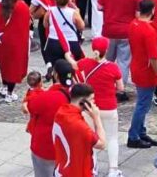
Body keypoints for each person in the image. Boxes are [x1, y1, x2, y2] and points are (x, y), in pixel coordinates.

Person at [76, 37, 124, 177]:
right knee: (112, 138)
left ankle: (93, 169)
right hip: (109, 107)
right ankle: (113, 170)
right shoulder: (113, 67)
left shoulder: (84, 63)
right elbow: (120, 88)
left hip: (90, 107)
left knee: (90, 139)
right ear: (106, 50)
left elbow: (75, 68)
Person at [25, 60, 76, 177]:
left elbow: (31, 107)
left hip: (47, 147)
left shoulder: (47, 96)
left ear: (56, 75)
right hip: (70, 147)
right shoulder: (77, 94)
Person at [0, 0, 31, 103]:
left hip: (0, 41)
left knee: (4, 63)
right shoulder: (21, 6)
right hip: (15, 42)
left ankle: (4, 86)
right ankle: (10, 93)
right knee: (14, 66)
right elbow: (25, 26)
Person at [52, 83, 107, 177]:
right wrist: (97, 118)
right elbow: (101, 144)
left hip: (62, 168)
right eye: (91, 99)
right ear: (83, 102)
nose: (94, 102)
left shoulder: (61, 112)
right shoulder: (79, 125)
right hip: (78, 171)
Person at [127, 0, 157, 149]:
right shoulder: (148, 31)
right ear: (152, 11)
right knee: (143, 105)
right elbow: (153, 57)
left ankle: (140, 131)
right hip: (146, 72)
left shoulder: (133, 24)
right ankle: (133, 135)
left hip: (136, 66)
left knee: (143, 102)